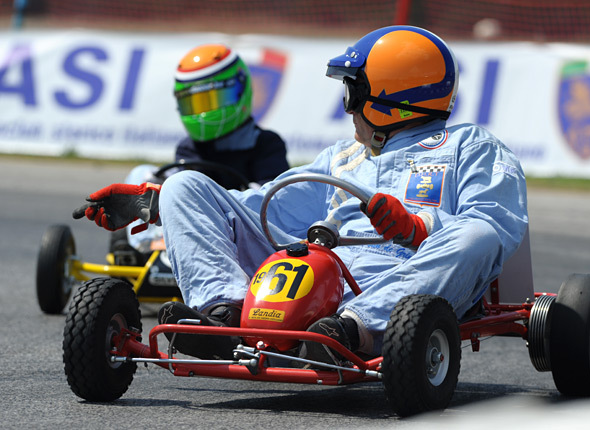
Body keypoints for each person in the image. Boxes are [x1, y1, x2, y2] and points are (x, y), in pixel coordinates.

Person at [73, 26, 528, 363]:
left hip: (405, 283)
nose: (347, 107)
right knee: (185, 184)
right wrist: (156, 203)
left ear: (388, 97)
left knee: (478, 238)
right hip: (319, 277)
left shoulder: (471, 146)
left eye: (353, 93)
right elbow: (263, 207)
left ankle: (352, 333)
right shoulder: (344, 157)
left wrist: (417, 227)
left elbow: (496, 225)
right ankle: (225, 314)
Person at [114, 43, 290, 257]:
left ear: (241, 89)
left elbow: (273, 203)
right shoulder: (189, 147)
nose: (203, 114)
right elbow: (178, 195)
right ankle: (147, 249)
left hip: (241, 239)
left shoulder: (266, 144)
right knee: (142, 174)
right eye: (195, 104)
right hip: (190, 231)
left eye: (213, 101)